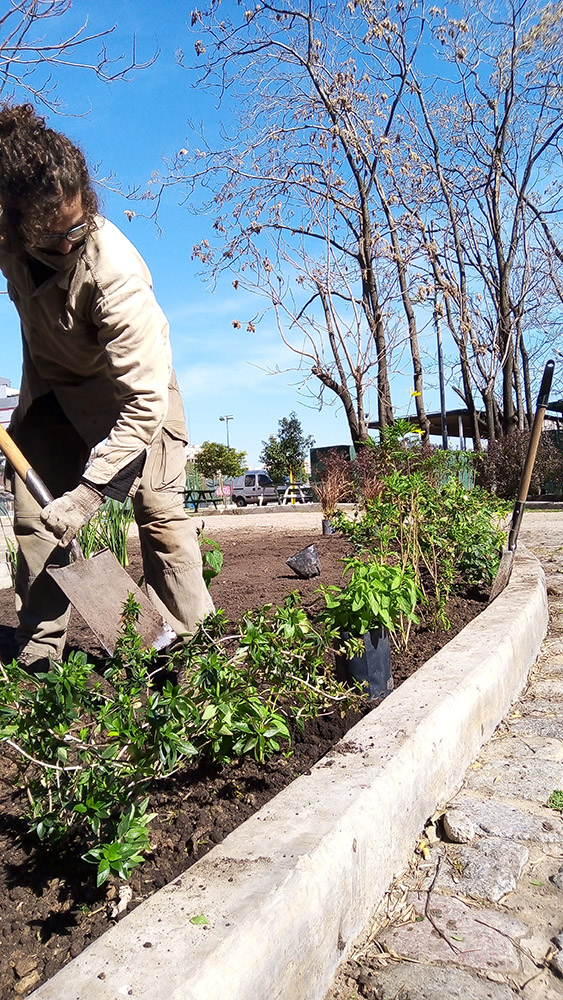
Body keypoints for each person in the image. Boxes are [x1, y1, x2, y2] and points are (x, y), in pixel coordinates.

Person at [0, 103, 214, 671]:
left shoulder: (113, 272)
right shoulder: (6, 229)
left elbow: (144, 400)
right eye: (54, 237)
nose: (71, 242)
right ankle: (40, 653)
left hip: (135, 395)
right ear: (17, 224)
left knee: (160, 514)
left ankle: (193, 655)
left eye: (79, 227)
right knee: (34, 517)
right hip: (54, 391)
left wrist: (90, 493)